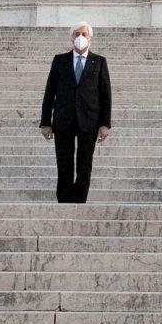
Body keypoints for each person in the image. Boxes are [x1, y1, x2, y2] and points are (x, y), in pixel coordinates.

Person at [38, 21, 111, 204]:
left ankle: (79, 202)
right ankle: (64, 201)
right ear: (71, 37)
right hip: (64, 119)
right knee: (64, 164)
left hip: (89, 119)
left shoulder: (99, 61)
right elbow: (50, 91)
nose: (80, 37)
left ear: (90, 38)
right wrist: (46, 121)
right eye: (77, 34)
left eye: (84, 34)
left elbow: (105, 95)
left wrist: (105, 123)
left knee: (84, 165)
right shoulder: (60, 60)